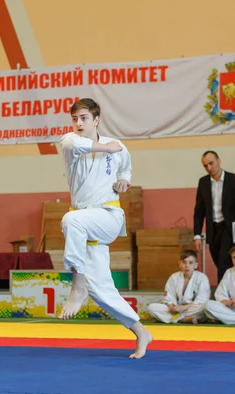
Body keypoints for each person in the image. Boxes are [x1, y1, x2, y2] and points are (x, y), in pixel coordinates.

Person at [58, 98, 152, 359]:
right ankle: (141, 332)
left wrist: (124, 180)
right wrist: (106, 148)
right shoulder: (69, 142)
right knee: (100, 290)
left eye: (84, 118)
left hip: (108, 216)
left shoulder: (118, 147)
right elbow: (79, 144)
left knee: (70, 220)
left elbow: (126, 168)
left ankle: (77, 287)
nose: (78, 123)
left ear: (96, 120)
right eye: (75, 118)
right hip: (86, 225)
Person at [193, 151, 235, 283]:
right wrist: (197, 235)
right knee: (220, 263)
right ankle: (233, 289)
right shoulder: (203, 182)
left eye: (211, 163)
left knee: (223, 264)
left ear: (219, 161)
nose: (209, 168)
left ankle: (222, 297)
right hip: (213, 230)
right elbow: (199, 211)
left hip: (230, 229)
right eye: (205, 166)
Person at [148, 250, 210, 324]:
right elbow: (169, 297)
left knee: (206, 308)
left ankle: (167, 318)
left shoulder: (202, 278)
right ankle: (183, 319)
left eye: (191, 263)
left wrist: (183, 308)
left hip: (192, 308)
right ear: (179, 264)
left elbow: (201, 301)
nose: (187, 266)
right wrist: (171, 306)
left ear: (196, 265)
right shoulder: (174, 277)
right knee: (151, 307)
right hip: (176, 309)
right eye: (184, 262)